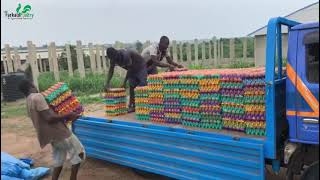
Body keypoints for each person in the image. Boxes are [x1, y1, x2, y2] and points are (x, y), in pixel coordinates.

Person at [18, 79, 85, 180]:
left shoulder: (28, 101)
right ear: (31, 86)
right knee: (79, 153)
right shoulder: (38, 97)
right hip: (59, 133)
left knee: (59, 159)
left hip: (49, 136)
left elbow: (45, 116)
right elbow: (49, 118)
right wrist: (69, 114)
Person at [105, 47, 147, 113]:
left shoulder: (125, 55)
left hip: (140, 66)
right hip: (131, 68)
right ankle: (132, 106)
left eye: (115, 58)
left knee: (143, 84)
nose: (114, 60)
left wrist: (124, 82)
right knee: (132, 86)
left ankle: (144, 106)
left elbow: (130, 69)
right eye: (112, 59)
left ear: (117, 53)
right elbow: (111, 70)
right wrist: (107, 83)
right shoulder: (113, 58)